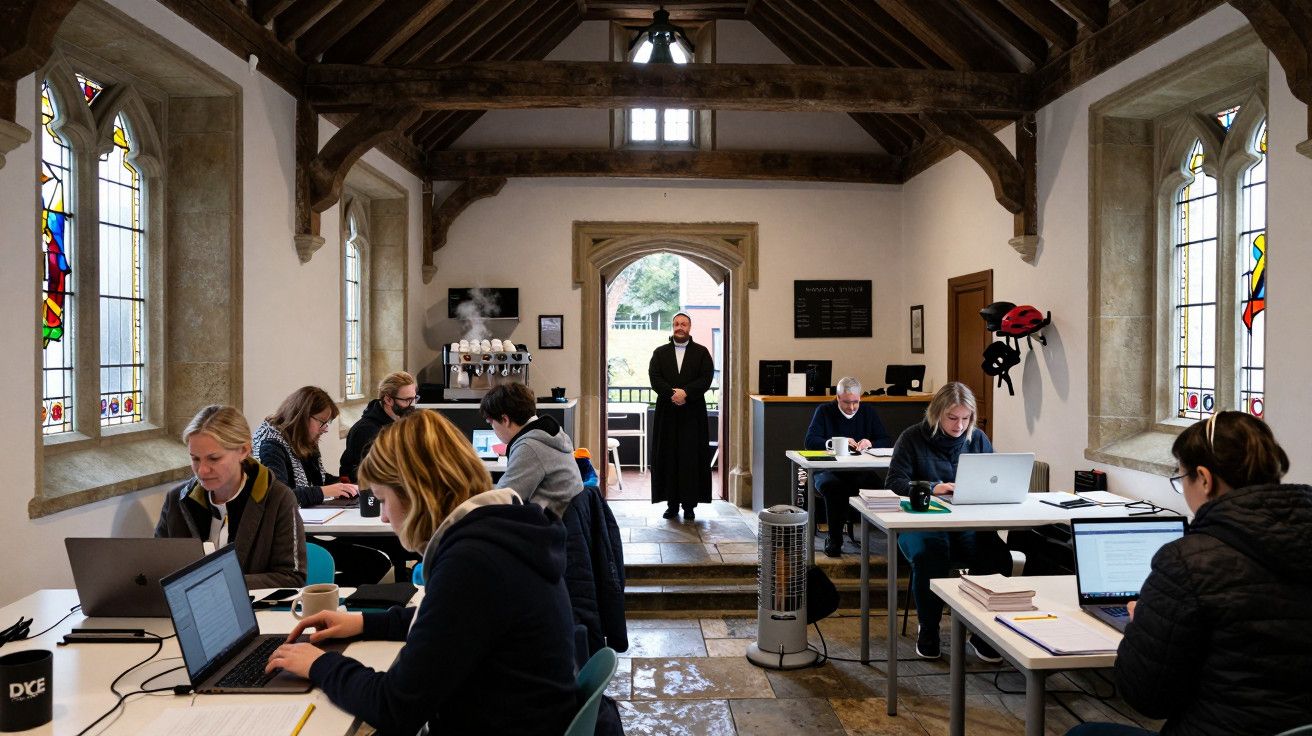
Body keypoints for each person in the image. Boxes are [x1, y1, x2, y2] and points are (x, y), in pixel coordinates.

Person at [264, 410, 578, 736]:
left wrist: (318, 664)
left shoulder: (473, 563)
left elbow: (395, 707)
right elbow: (447, 623)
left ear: (415, 493)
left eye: (384, 500)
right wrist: (362, 622)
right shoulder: (497, 530)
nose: (384, 517)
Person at [1067, 412, 1312, 736]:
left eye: (1181, 479)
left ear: (1205, 478)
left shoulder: (1188, 562)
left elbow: (1146, 697)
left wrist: (1143, 623)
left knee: (1083, 734)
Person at [886, 381, 1011, 661]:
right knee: (932, 555)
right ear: (936, 414)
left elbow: (992, 478)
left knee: (997, 555)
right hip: (921, 522)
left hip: (966, 521)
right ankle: (928, 628)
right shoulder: (912, 438)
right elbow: (895, 482)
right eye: (952, 418)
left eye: (965, 419)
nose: (959, 425)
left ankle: (982, 631)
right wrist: (933, 487)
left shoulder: (977, 439)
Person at [155, 405, 306, 588]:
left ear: (243, 450)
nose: (202, 470)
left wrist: (222, 583)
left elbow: (292, 578)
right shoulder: (176, 501)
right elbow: (157, 569)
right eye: (195, 458)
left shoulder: (278, 498)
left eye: (214, 458)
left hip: (255, 612)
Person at [804, 376, 892, 557]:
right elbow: (810, 441)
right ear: (837, 398)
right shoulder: (824, 411)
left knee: (880, 487)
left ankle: (885, 541)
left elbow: (886, 439)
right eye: (846, 402)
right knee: (833, 487)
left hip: (859, 470)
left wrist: (870, 443)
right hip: (827, 470)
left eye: (856, 402)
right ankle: (835, 540)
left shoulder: (868, 411)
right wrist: (835, 443)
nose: (851, 407)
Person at [648, 312, 714, 520]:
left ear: (690, 327)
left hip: (692, 414)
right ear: (672, 327)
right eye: (676, 324)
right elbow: (654, 377)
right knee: (669, 457)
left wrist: (686, 393)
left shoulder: (702, 353)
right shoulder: (659, 353)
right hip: (667, 414)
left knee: (690, 459)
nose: (680, 327)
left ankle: (689, 506)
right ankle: (671, 504)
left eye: (683, 324)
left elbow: (706, 378)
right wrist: (672, 394)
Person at [481, 382, 582, 518]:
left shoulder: (529, 447)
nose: (492, 428)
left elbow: (502, 501)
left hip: (549, 528)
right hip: (565, 521)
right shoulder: (550, 433)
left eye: (491, 422)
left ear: (505, 420)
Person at [252, 386, 358, 508]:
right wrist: (324, 491)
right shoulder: (271, 445)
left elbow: (318, 480)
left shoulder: (305, 440)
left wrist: (350, 484)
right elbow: (278, 497)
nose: (325, 429)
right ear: (302, 416)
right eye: (322, 422)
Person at [338, 371, 418, 483]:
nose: (412, 405)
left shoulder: (401, 422)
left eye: (414, 399)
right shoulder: (366, 430)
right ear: (388, 399)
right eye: (406, 400)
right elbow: (374, 473)